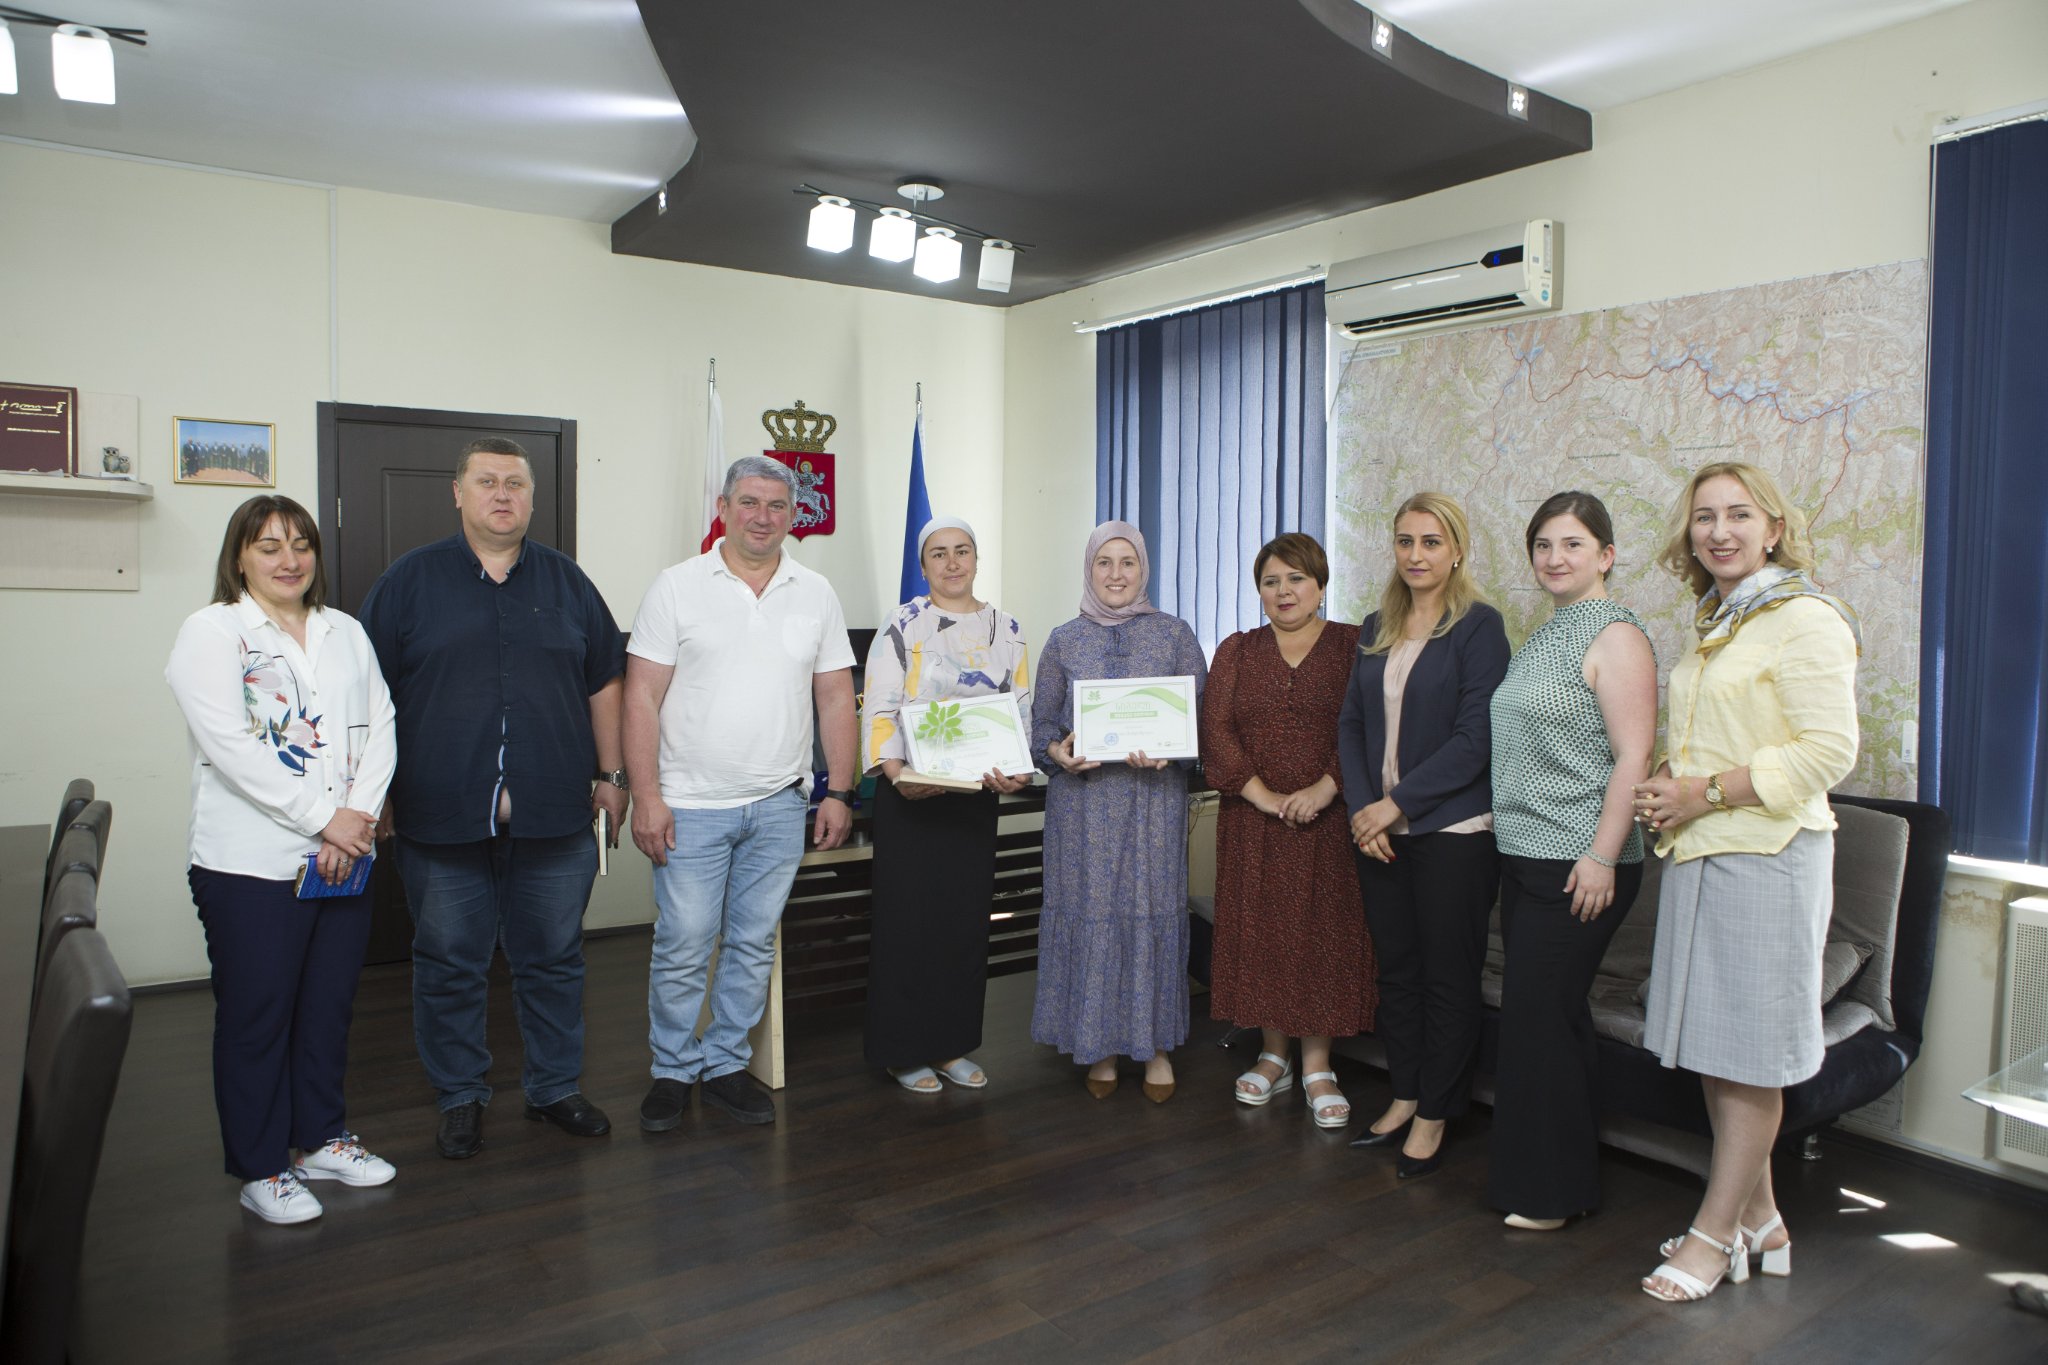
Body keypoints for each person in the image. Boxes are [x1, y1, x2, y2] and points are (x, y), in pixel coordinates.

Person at [359, 437, 628, 1160]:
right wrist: (372, 793)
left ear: (532, 498)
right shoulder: (408, 582)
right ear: (458, 493)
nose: (502, 494)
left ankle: (553, 1087)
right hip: (439, 819)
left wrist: (614, 776)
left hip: (555, 818)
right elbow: (366, 695)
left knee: (554, 960)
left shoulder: (569, 583)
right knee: (450, 963)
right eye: (487, 481)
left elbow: (605, 681)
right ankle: (460, 1095)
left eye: (515, 483)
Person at [1633, 461, 1859, 1301]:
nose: (1719, 530)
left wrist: (1704, 791)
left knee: (1751, 1058)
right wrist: (1672, 778)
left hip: (1770, 857)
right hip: (1702, 850)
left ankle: (1712, 1234)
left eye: (1738, 514)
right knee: (1717, 1050)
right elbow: (1724, 729)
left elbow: (1828, 751)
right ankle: (1763, 1220)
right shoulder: (1722, 619)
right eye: (1704, 516)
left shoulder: (1805, 618)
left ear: (1774, 528)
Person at [166, 496, 398, 1224]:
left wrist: (353, 822)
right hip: (250, 866)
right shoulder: (214, 632)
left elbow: (382, 722)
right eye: (269, 547)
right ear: (239, 557)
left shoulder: (345, 630)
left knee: (327, 1007)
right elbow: (231, 749)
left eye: (301, 545)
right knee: (257, 1016)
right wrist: (326, 819)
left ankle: (321, 1138)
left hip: (344, 856)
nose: (289, 560)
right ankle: (262, 1165)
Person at [625, 455, 858, 1131]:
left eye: (777, 505)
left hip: (781, 803)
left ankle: (726, 1062)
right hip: (690, 805)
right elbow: (640, 697)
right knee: (683, 943)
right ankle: (673, 1069)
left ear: (793, 514)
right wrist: (646, 796)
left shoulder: (816, 591)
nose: (763, 516)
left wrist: (839, 790)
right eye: (749, 502)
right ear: (724, 508)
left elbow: (835, 696)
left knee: (753, 944)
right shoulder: (677, 586)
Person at [1485, 492, 1658, 1229]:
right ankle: (1571, 1177)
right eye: (1544, 545)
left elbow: (1633, 756)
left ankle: (1547, 1196)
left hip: (1580, 861)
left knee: (1537, 1021)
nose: (1555, 558)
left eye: (1573, 544)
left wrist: (1602, 855)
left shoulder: (1616, 635)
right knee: (1554, 1018)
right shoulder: (1547, 632)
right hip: (1526, 855)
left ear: (1606, 555)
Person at [1337, 491, 1509, 1178]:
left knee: (1447, 977)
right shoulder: (1378, 624)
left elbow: (1476, 739)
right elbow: (1352, 724)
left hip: (1452, 832)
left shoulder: (1479, 627)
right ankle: (1405, 1092)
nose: (1416, 554)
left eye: (1431, 542)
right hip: (1380, 833)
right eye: (1405, 541)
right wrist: (1364, 809)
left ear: (1457, 550)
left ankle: (1437, 1110)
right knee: (1398, 972)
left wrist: (1394, 805)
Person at [1199, 532, 1373, 1128]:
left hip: (1331, 819)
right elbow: (1216, 731)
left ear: (1320, 584)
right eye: (1271, 581)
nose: (1284, 591)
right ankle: (1273, 1056)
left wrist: (1326, 787)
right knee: (1263, 932)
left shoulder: (1355, 645)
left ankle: (1319, 1066)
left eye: (1296, 578)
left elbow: (1368, 726)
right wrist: (1263, 796)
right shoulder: (1237, 651)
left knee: (1324, 935)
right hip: (1253, 819)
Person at [1030, 521, 1207, 1102]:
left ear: (1143, 569)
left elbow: (1201, 720)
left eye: (1127, 562)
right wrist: (1058, 752)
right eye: (1103, 562)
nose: (1115, 574)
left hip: (1152, 804)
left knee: (1149, 912)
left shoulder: (1175, 634)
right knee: (1092, 913)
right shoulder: (1063, 640)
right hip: (1082, 808)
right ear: (1089, 569)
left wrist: (1173, 749)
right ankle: (1098, 1045)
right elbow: (1041, 725)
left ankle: (1155, 1048)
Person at [859, 516, 1033, 1092]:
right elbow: (880, 707)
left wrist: (1016, 770)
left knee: (963, 925)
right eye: (939, 553)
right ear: (924, 564)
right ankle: (903, 1051)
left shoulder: (1007, 628)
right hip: (910, 796)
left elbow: (1018, 710)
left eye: (962, 551)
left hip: (973, 799)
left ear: (976, 559)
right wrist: (896, 774)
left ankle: (952, 1044)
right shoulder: (902, 623)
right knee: (908, 925)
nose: (952, 562)